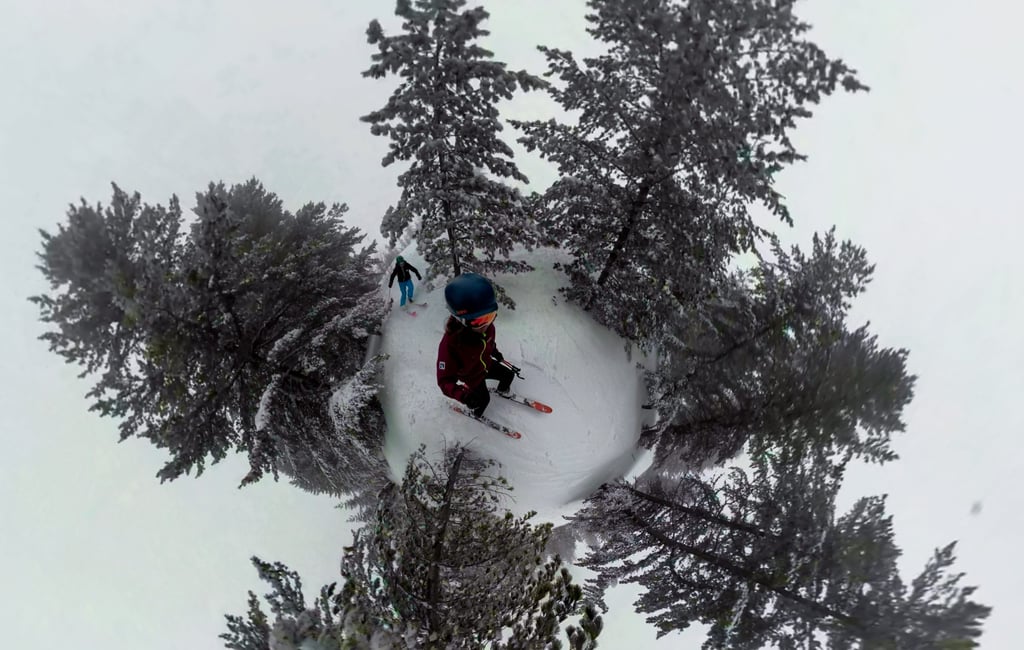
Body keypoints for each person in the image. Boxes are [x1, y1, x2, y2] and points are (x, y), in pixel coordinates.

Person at [436, 272, 515, 418]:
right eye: (479, 321)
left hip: (486, 365)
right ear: (461, 320)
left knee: (508, 375)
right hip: (472, 377)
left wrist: (494, 352)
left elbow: (488, 342)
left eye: (490, 316)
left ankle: (502, 391)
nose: (486, 324)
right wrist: (463, 396)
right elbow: (444, 381)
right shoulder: (451, 344)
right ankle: (475, 413)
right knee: (483, 400)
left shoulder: (488, 327)